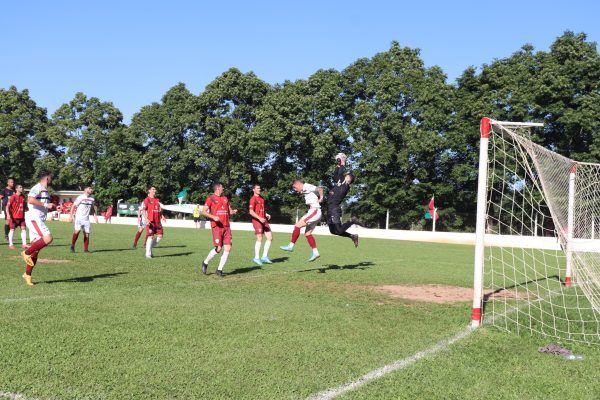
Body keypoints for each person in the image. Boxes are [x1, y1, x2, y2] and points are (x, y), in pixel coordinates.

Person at [21, 171, 55, 286]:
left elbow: (41, 205)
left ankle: (27, 274)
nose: (52, 179)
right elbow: (30, 199)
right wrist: (46, 205)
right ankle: (26, 253)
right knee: (48, 238)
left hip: (39, 219)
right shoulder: (37, 187)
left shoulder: (45, 191)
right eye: (51, 177)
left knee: (35, 250)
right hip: (34, 218)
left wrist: (53, 207)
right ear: (46, 178)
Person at [280, 179, 324, 261]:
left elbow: (320, 189)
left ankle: (291, 246)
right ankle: (315, 252)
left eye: (295, 187)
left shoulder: (307, 186)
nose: (295, 190)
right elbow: (310, 192)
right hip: (315, 211)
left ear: (298, 184)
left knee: (297, 226)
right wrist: (302, 192)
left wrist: (321, 197)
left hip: (315, 210)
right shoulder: (305, 189)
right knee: (307, 233)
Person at [201, 183, 237, 277]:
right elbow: (203, 211)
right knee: (218, 249)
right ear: (217, 188)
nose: (223, 188)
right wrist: (213, 216)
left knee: (228, 248)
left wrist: (233, 212)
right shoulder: (211, 198)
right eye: (222, 187)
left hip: (226, 227)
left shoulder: (225, 198)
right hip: (217, 227)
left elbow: (229, 211)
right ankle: (205, 262)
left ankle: (219, 270)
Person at [327, 153, 359, 247]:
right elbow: (335, 175)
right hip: (329, 208)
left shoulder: (346, 187)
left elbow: (340, 173)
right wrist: (338, 165)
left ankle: (352, 221)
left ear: (349, 180)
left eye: (348, 176)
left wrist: (343, 163)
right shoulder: (340, 181)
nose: (346, 175)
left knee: (339, 230)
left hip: (334, 209)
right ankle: (352, 236)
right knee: (333, 231)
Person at [249, 184, 273, 266]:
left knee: (270, 237)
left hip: (264, 220)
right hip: (257, 221)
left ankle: (264, 257)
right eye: (257, 188)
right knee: (260, 237)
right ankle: (256, 258)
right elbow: (251, 212)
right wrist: (259, 218)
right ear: (253, 190)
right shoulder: (253, 199)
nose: (259, 189)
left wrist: (266, 214)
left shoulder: (261, 199)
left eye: (260, 188)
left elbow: (261, 209)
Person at [69, 186, 99, 253]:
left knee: (87, 234)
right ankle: (72, 246)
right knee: (77, 231)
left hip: (86, 219)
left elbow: (92, 209)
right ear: (85, 189)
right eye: (89, 188)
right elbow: (73, 206)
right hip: (79, 218)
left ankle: (86, 249)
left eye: (91, 188)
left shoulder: (92, 199)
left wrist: (95, 216)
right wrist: (71, 216)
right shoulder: (80, 197)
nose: (91, 190)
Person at [141, 187, 165, 258]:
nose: (155, 190)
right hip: (150, 221)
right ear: (149, 191)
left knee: (160, 236)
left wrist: (162, 216)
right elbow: (143, 210)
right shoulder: (147, 200)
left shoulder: (157, 200)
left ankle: (148, 247)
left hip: (158, 221)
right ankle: (148, 254)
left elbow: (159, 210)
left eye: (155, 189)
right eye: (153, 189)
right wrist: (146, 219)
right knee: (150, 236)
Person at [6, 184, 28, 249]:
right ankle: (10, 244)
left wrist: (26, 208)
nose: (22, 188)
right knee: (12, 230)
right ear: (16, 189)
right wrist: (8, 214)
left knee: (24, 229)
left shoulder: (23, 197)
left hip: (22, 217)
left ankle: (24, 244)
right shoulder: (13, 197)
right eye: (20, 187)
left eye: (22, 187)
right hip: (14, 217)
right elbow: (7, 206)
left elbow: (24, 205)